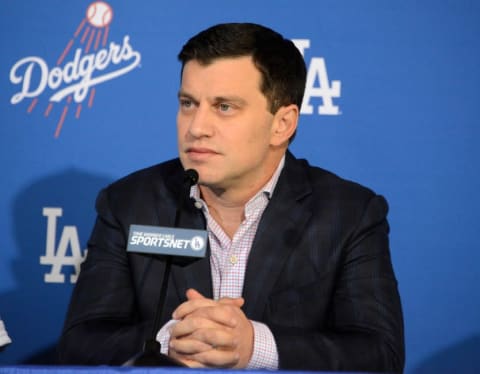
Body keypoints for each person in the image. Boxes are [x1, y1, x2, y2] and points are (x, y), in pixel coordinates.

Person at [57, 23, 404, 371]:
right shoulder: (130, 204)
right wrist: (168, 339)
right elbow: (80, 344)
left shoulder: (349, 214)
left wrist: (255, 345)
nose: (196, 127)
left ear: (282, 123)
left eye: (224, 107)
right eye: (188, 103)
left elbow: (380, 355)